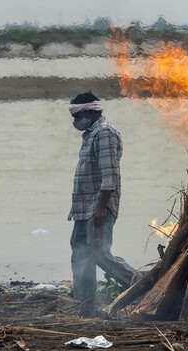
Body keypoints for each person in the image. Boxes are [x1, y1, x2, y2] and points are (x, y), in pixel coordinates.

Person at [67, 92, 136, 317]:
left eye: (78, 115)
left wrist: (101, 207)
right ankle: (85, 304)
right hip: (82, 207)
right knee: (80, 252)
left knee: (99, 253)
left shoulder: (105, 134)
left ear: (91, 111)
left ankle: (140, 284)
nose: (75, 121)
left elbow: (110, 176)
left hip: (98, 207)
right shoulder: (91, 135)